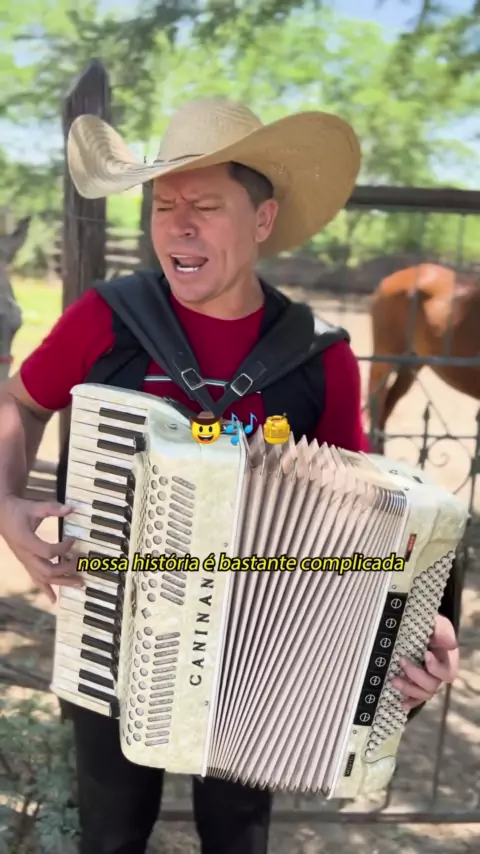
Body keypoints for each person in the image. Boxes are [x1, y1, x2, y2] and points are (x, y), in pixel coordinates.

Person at [0, 97, 459, 854]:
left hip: (259, 652)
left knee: (238, 832)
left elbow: (368, 521)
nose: (178, 225)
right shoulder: (108, 319)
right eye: (163, 206)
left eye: (206, 206)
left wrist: (417, 628)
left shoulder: (319, 358)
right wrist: (7, 502)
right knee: (110, 833)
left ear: (262, 219)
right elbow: (20, 401)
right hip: (112, 629)